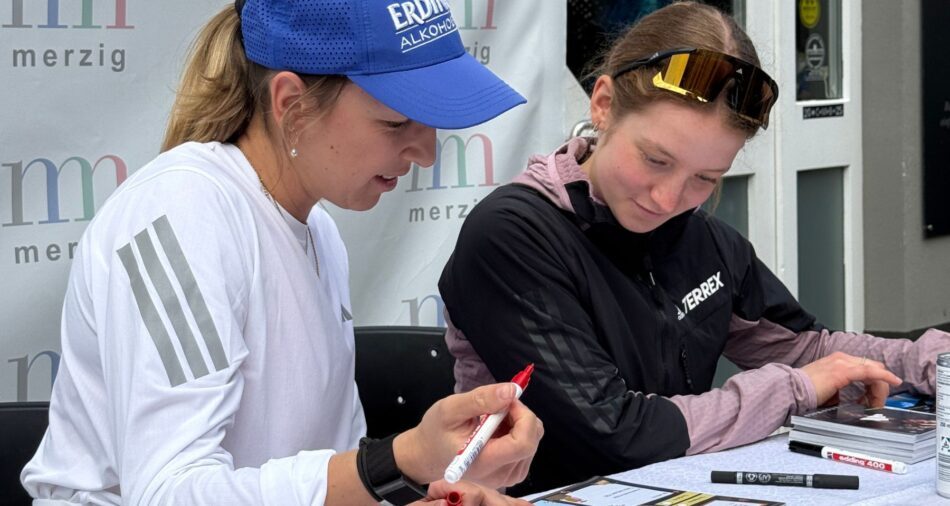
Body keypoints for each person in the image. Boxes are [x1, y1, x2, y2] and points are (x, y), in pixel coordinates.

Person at [21, 1, 543, 504]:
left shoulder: (318, 231)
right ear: (290, 104)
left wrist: (431, 490)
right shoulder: (176, 211)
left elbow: (326, 470)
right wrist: (399, 462)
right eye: (396, 122)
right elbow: (167, 493)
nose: (425, 151)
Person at [438, 1, 950, 495]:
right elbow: (616, 434)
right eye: (655, 160)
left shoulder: (704, 239)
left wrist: (929, 362)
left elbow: (807, 349)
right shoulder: (512, 235)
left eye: (706, 178)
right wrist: (794, 389)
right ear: (603, 104)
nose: (667, 199)